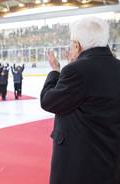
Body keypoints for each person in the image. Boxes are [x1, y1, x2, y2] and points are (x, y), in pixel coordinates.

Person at [40, 17, 120, 184]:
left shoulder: (76, 71)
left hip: (80, 166)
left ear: (77, 45)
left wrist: (55, 71)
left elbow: (48, 101)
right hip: (111, 161)